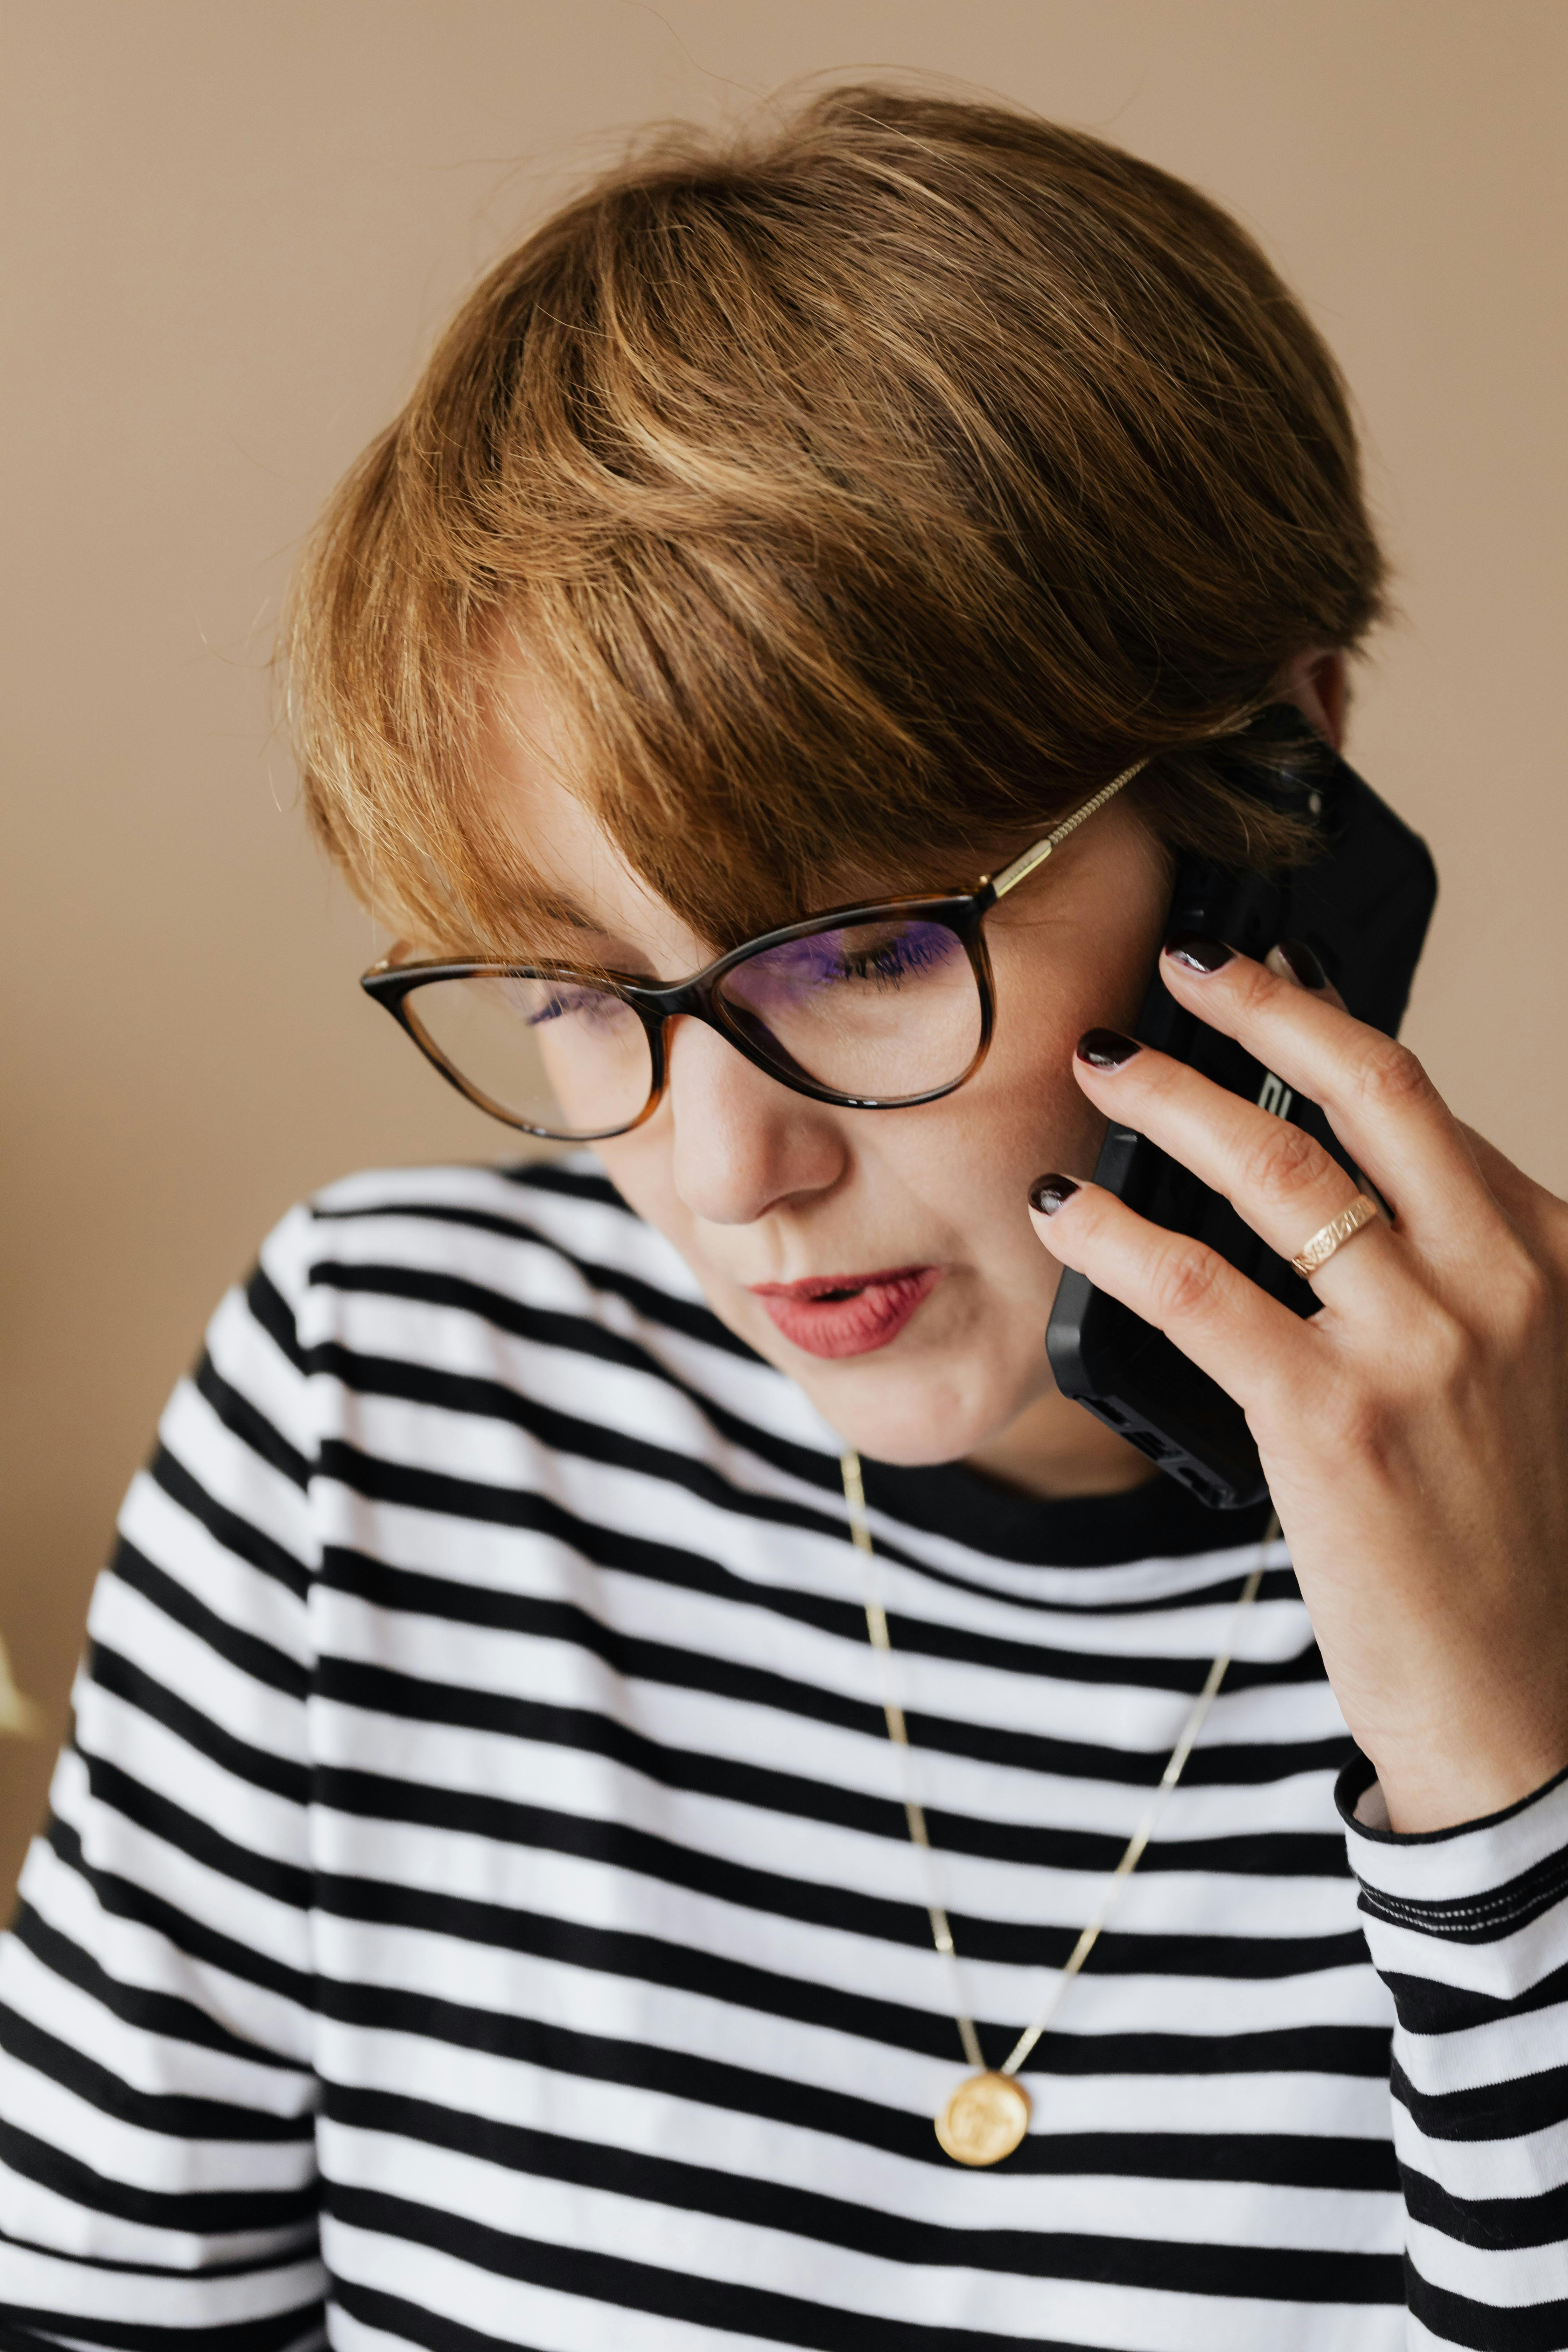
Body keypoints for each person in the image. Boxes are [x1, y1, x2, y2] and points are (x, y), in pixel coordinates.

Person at [1, 84, 1564, 2352]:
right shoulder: (384, 1402)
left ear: (1277, 792)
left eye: (857, 952)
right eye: (569, 990)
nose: (722, 1174)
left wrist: (1498, 1764)